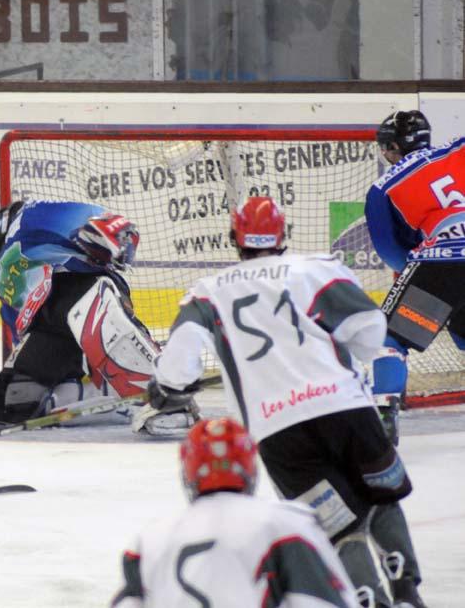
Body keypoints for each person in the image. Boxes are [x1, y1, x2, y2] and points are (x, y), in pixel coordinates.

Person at [145, 196, 426, 607]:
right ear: (282, 236)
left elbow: (178, 364)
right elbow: (369, 331)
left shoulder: (207, 293)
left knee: (337, 527)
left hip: (278, 430)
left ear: (235, 238)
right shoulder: (316, 269)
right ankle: (406, 590)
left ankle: (368, 600)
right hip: (346, 409)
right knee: (381, 496)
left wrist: (168, 386)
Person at [0, 199, 198, 435]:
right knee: (17, 399)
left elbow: (119, 230)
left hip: (77, 286)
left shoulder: (24, 219)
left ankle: (168, 399)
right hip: (48, 326)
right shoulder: (9, 293)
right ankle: (110, 394)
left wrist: (106, 235)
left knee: (91, 313)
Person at [111, 417, 357, 607]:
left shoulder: (150, 539)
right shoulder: (287, 523)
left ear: (188, 472)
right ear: (250, 468)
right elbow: (326, 601)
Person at [366, 110, 465, 444]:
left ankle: (384, 414)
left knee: (390, 338)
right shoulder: (458, 149)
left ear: (393, 146)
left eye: (385, 147)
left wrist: (431, 280)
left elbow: (392, 254)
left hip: (439, 262)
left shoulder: (382, 188)